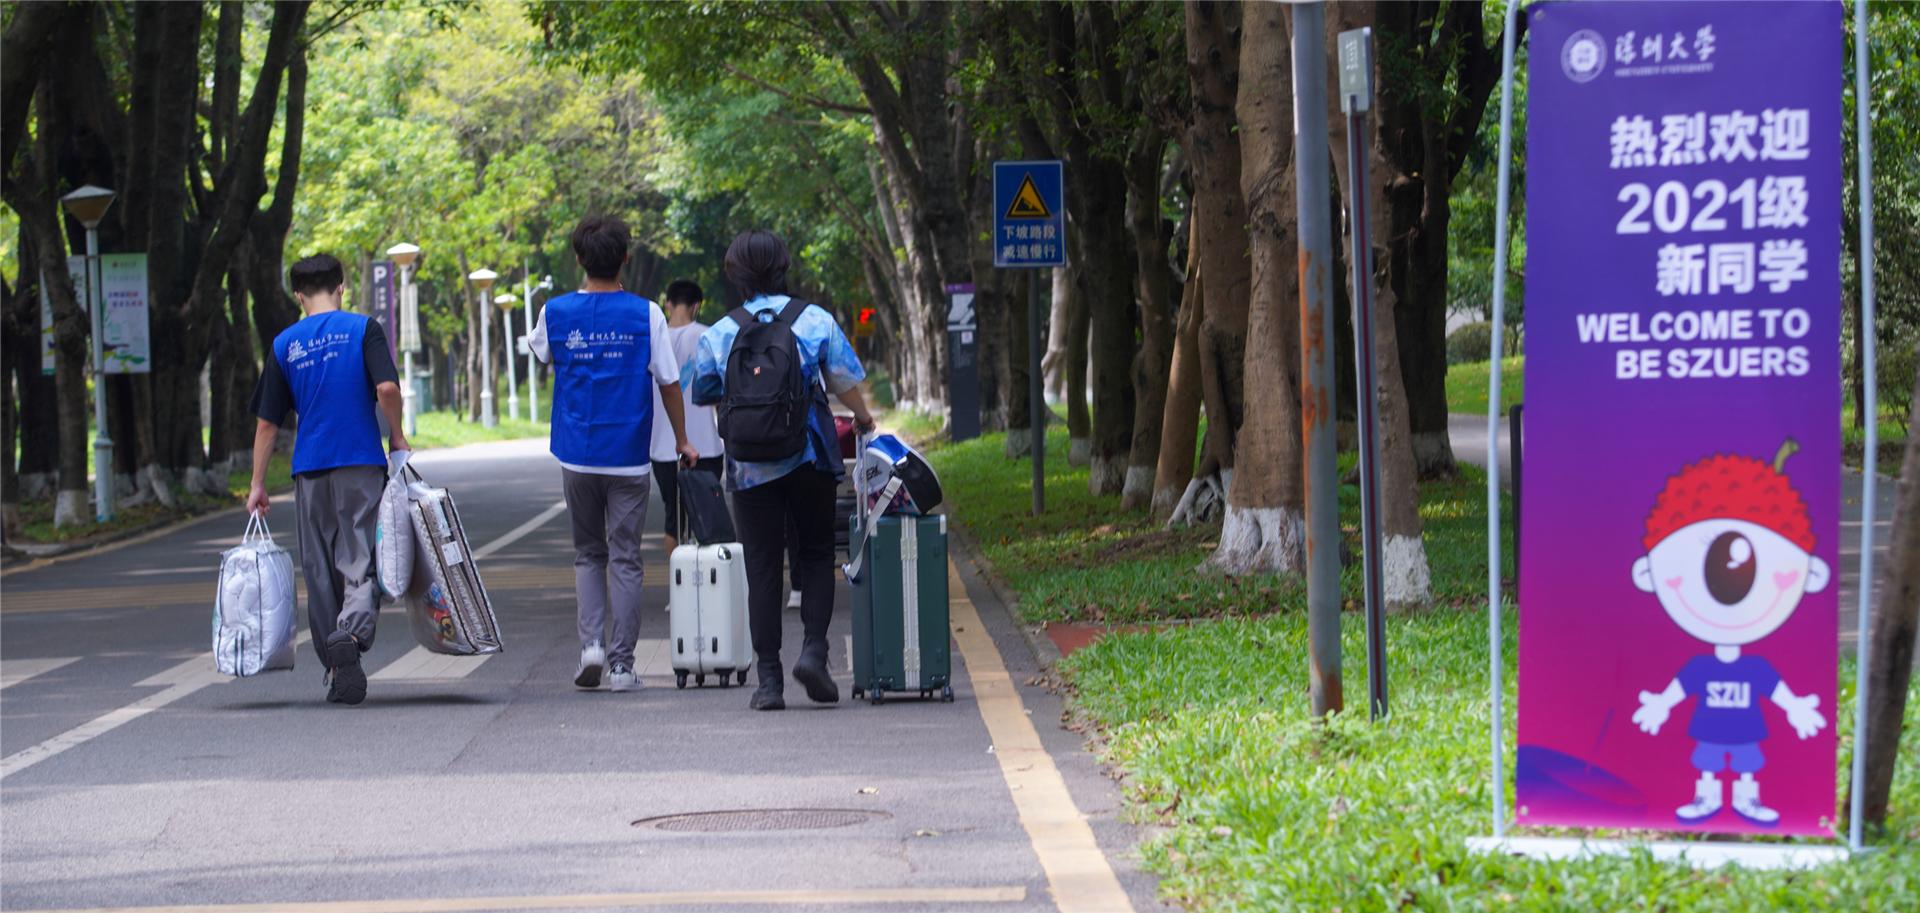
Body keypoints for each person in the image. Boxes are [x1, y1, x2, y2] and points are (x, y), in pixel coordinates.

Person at [689, 230, 875, 711]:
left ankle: (769, 680)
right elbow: (846, 380)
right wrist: (864, 418)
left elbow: (704, 390)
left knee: (763, 565)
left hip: (750, 466)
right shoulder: (813, 320)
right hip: (810, 456)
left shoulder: (722, 331)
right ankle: (814, 651)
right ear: (783, 267)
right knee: (814, 555)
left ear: (735, 275)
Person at [531, 216, 698, 693]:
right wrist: (683, 441)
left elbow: (542, 354)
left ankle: (591, 648)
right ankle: (622, 666)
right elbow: (668, 383)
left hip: (576, 455)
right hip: (628, 457)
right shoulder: (647, 314)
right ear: (626, 257)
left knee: (588, 553)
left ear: (579, 259)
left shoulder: (554, 311)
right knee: (625, 558)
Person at [246, 254, 407, 706]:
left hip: (309, 468)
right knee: (360, 561)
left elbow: (267, 425)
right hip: (359, 463)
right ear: (341, 287)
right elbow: (388, 389)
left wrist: (258, 483)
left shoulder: (284, 344)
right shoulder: (363, 329)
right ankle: (350, 637)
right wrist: (395, 434)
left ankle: (336, 665)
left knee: (319, 570)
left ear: (299, 297)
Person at [650, 279, 725, 552]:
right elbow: (720, 392)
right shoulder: (710, 337)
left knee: (674, 519)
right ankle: (705, 587)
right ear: (697, 306)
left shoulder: (651, 341)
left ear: (667, 304)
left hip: (662, 447)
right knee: (707, 517)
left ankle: (677, 587)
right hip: (706, 445)